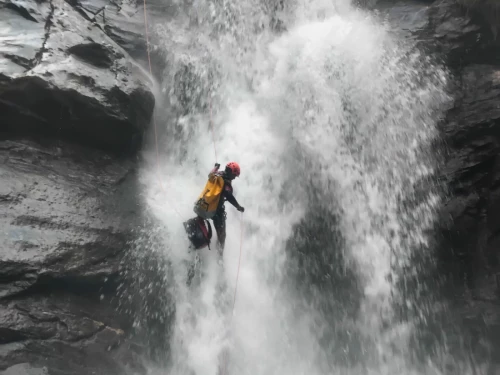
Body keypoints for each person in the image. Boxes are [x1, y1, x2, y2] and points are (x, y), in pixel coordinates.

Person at [208, 161, 244, 254]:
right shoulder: (226, 181)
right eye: (235, 176)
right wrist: (238, 206)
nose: (234, 178)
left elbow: (210, 174)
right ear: (232, 173)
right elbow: (228, 195)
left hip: (207, 205)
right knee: (222, 236)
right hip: (217, 211)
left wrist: (216, 167)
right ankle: (219, 257)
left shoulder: (217, 174)